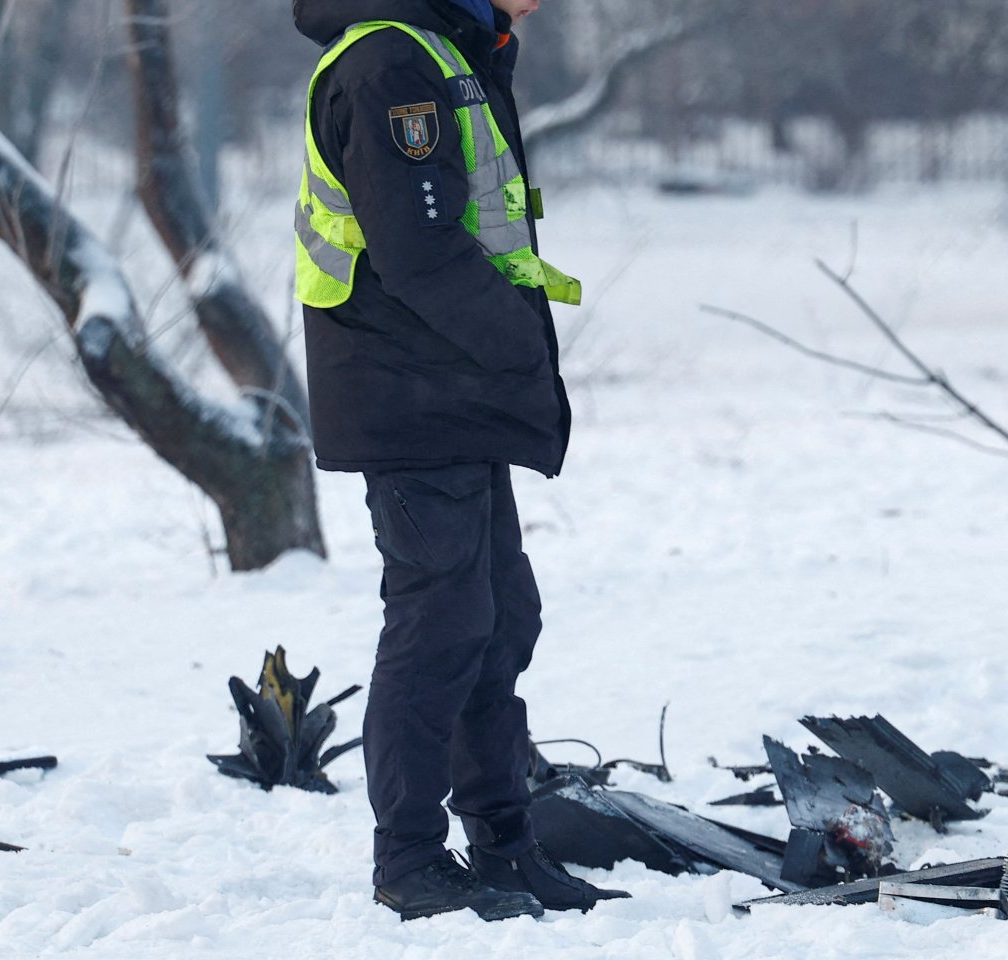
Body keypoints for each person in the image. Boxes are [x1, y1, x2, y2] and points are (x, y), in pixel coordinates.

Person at [292, 0, 626, 921]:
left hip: (456, 389)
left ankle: (505, 846)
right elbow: (421, 248)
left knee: (500, 617)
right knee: (441, 624)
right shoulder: (389, 66)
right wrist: (522, 346)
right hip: (409, 393)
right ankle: (408, 859)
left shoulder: (447, 50)